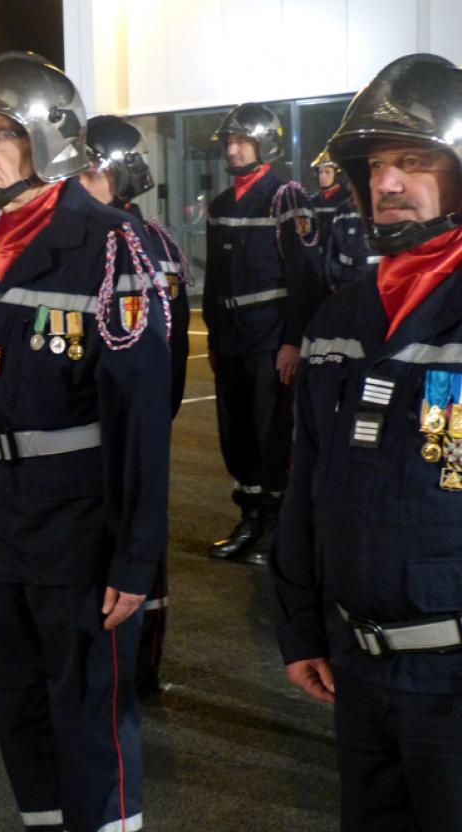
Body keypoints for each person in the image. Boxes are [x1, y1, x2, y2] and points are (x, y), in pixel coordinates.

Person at [0, 51, 172, 832]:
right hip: (7, 523)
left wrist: (136, 556)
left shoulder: (112, 243)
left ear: (46, 136)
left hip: (80, 527)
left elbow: (141, 422)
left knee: (88, 718)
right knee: (22, 716)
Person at [273, 53, 462, 832]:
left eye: (414, 161)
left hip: (455, 675)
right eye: (374, 165)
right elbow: (308, 481)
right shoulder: (344, 311)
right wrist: (302, 623)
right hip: (360, 670)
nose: (387, 183)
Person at [80, 114, 190, 697]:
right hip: (106, 423)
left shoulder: (137, 245)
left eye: (89, 172)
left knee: (137, 534)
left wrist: (147, 420)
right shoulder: (93, 242)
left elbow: (169, 348)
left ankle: (139, 660)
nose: (76, 183)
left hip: (124, 418)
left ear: (121, 178)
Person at [204, 103, 322, 565]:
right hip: (232, 337)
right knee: (236, 432)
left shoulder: (285, 198)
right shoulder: (220, 205)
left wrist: (294, 340)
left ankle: (277, 527)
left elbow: (305, 274)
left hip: (270, 337)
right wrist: (214, 337)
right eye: (228, 143)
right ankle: (250, 518)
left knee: (271, 432)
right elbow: (214, 278)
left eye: (241, 142)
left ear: (264, 144)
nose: (232, 151)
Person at [309, 149, 347, 253]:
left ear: (337, 175)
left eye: (328, 172)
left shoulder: (347, 200)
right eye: (320, 172)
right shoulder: (313, 201)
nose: (323, 176)